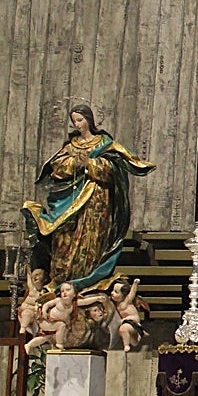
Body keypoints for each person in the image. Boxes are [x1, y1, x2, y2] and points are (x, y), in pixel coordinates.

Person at [21, 104, 155, 291]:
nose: (77, 124)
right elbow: (57, 166)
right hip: (70, 201)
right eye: (74, 121)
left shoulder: (104, 143)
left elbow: (112, 170)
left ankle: (86, 281)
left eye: (80, 120)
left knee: (91, 240)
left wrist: (90, 163)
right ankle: (62, 279)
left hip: (96, 200)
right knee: (63, 237)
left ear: (89, 120)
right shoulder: (71, 145)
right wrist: (76, 162)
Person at [25, 281, 106, 351]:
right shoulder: (58, 301)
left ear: (74, 294)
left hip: (55, 325)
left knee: (46, 337)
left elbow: (85, 301)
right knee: (62, 325)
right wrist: (44, 312)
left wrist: (97, 298)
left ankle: (29, 345)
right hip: (48, 321)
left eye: (67, 290)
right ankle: (59, 344)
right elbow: (46, 304)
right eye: (62, 291)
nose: (64, 292)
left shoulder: (74, 304)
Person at [110, 278, 147, 352]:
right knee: (134, 342)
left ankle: (126, 345)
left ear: (123, 295)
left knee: (123, 329)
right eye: (113, 290)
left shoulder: (127, 301)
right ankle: (137, 336)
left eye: (116, 292)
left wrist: (135, 284)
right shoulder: (115, 304)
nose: (112, 293)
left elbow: (132, 293)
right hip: (125, 322)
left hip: (133, 320)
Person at [16, 268, 46, 337]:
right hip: (27, 311)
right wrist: (28, 270)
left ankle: (35, 339)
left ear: (44, 278)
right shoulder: (32, 289)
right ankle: (22, 332)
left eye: (38, 275)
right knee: (27, 314)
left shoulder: (45, 292)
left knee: (38, 323)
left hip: (37, 314)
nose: (35, 277)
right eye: (33, 276)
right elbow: (29, 280)